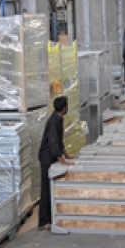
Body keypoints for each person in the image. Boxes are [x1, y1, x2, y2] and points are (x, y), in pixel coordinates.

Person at [38, 96, 76, 231]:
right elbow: (53, 143)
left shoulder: (58, 119)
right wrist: (62, 160)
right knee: (46, 189)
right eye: (67, 105)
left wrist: (67, 154)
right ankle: (43, 222)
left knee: (52, 187)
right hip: (47, 158)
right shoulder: (54, 121)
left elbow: (59, 141)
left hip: (52, 156)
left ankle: (52, 217)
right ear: (64, 108)